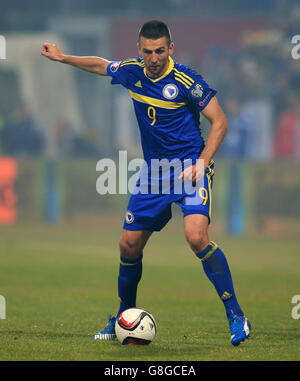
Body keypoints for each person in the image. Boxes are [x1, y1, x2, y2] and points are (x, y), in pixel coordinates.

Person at [41, 20, 251, 346]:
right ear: (139, 50)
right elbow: (101, 65)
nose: (154, 58)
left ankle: (236, 314)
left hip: (188, 169)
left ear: (171, 49)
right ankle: (123, 317)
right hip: (154, 173)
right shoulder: (131, 70)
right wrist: (62, 57)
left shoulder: (187, 80)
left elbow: (220, 121)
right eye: (148, 51)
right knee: (128, 244)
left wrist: (202, 162)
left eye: (160, 51)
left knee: (196, 236)